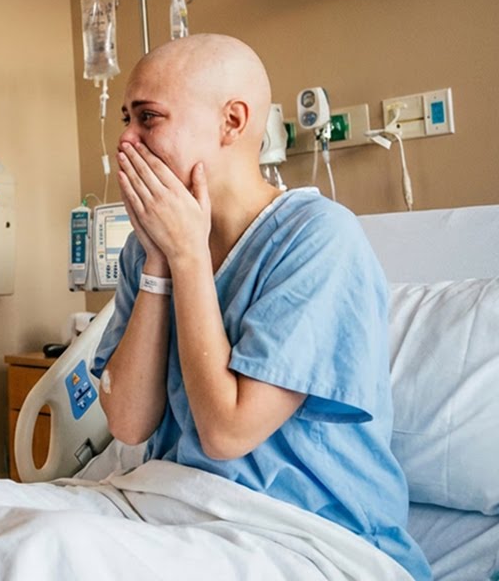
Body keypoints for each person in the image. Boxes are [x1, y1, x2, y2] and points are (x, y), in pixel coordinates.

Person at [94, 33, 430, 580]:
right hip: (176, 507)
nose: (126, 140)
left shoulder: (318, 239)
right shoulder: (145, 247)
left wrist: (188, 256)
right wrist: (159, 261)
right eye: (126, 119)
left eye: (148, 118)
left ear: (232, 122)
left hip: (305, 532)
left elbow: (225, 434)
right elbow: (129, 425)